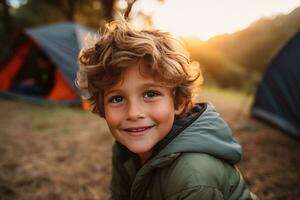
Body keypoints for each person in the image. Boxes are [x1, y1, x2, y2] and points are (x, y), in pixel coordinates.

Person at [76, 18, 258, 200]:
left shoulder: (192, 177)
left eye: (150, 94)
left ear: (178, 102)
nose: (133, 113)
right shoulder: (125, 151)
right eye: (117, 98)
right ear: (102, 107)